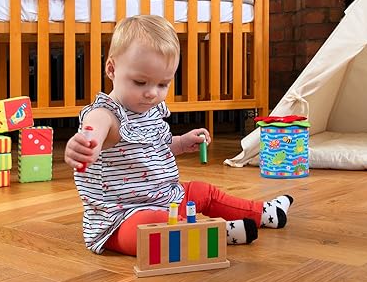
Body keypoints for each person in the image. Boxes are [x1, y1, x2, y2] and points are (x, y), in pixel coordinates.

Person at [64, 15, 293, 256]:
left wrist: (181, 143)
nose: (152, 93)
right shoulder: (106, 114)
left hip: (165, 198)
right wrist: (85, 145)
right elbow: (94, 129)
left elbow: (155, 147)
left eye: (163, 84)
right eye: (140, 82)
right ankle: (216, 235)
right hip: (121, 219)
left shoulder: (150, 111)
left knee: (203, 192)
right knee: (153, 227)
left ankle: (263, 212)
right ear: (111, 69)